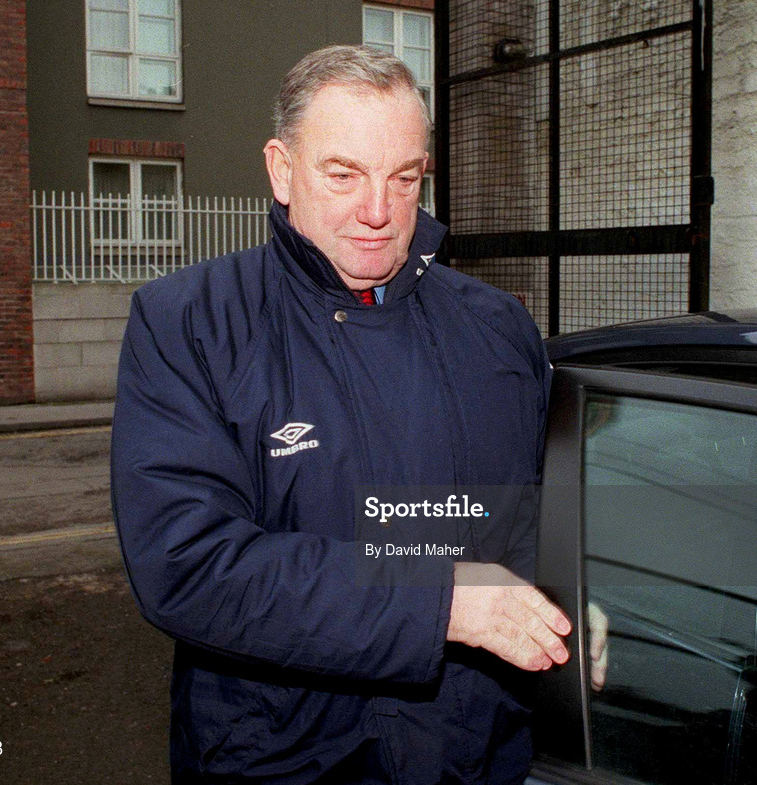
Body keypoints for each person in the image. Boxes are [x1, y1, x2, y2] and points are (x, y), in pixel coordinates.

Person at [111, 45, 605, 785]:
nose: (378, 211)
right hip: (280, 757)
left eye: (403, 179)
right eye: (343, 175)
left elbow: (527, 517)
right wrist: (439, 602)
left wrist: (569, 596)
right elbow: (189, 564)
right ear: (282, 170)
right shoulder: (188, 323)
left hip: (470, 750)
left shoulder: (498, 326)